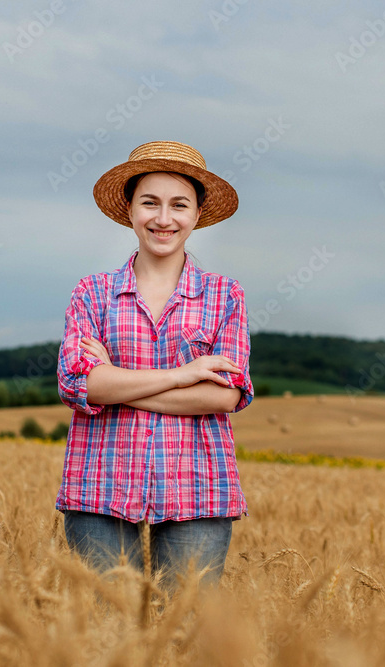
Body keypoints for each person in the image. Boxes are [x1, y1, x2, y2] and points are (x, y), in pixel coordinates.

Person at [55, 140, 254, 596]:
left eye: (179, 205)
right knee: (105, 631)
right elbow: (78, 384)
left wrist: (115, 382)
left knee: (182, 634)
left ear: (198, 214)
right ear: (129, 209)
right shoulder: (93, 292)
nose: (163, 218)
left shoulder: (225, 295)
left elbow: (224, 395)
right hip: (99, 484)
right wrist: (183, 375)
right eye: (150, 203)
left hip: (198, 490)